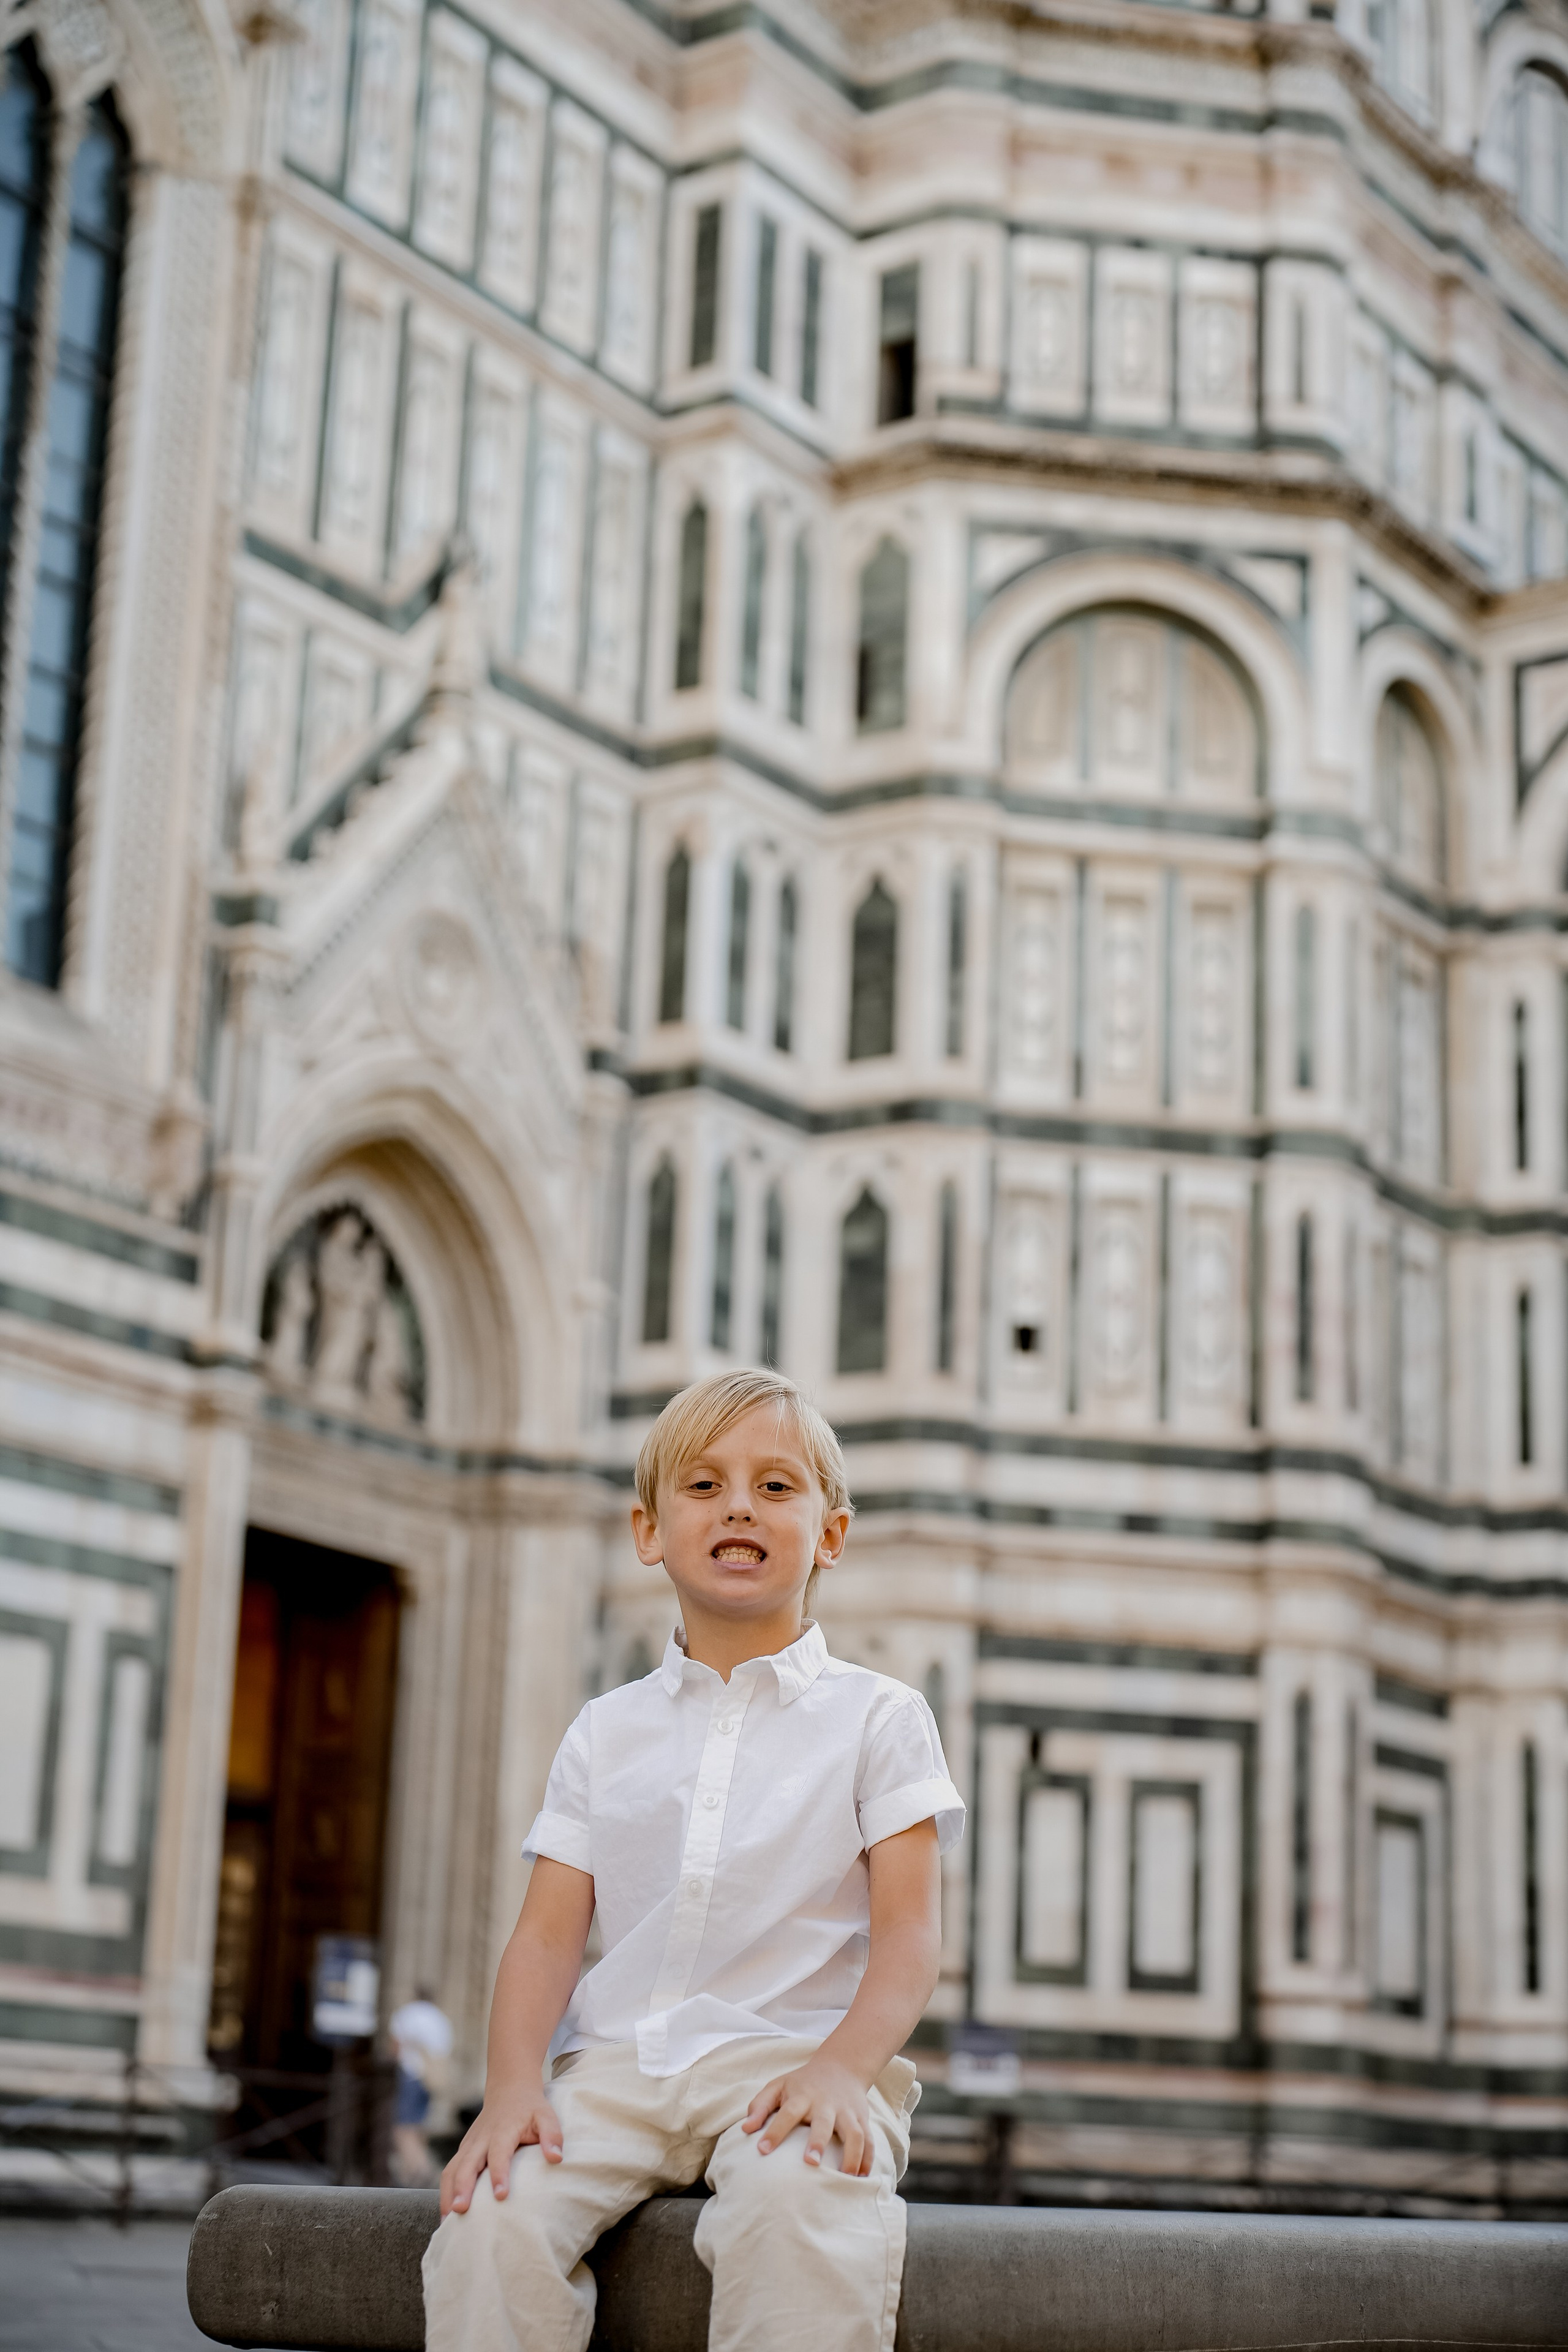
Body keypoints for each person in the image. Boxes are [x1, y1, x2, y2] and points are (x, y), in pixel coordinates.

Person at [423, 1368, 963, 2352]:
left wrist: (846, 2071)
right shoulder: (604, 1730)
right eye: (704, 1486)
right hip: (619, 2074)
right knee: (489, 2219)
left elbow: (911, 1934)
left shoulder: (880, 1717)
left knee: (800, 2214)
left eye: (775, 1486)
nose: (738, 1506)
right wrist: (510, 2091)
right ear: (648, 1532)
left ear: (830, 1536)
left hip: (795, 2065)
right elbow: (546, 1941)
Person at [388, 1985, 454, 2186]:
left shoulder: (408, 2014)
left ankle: (423, 2170)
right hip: (429, 2080)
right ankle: (411, 2173)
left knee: (403, 2129)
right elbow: (444, 2050)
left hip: (411, 2075)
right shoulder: (441, 2020)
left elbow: (395, 2047)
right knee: (418, 2127)